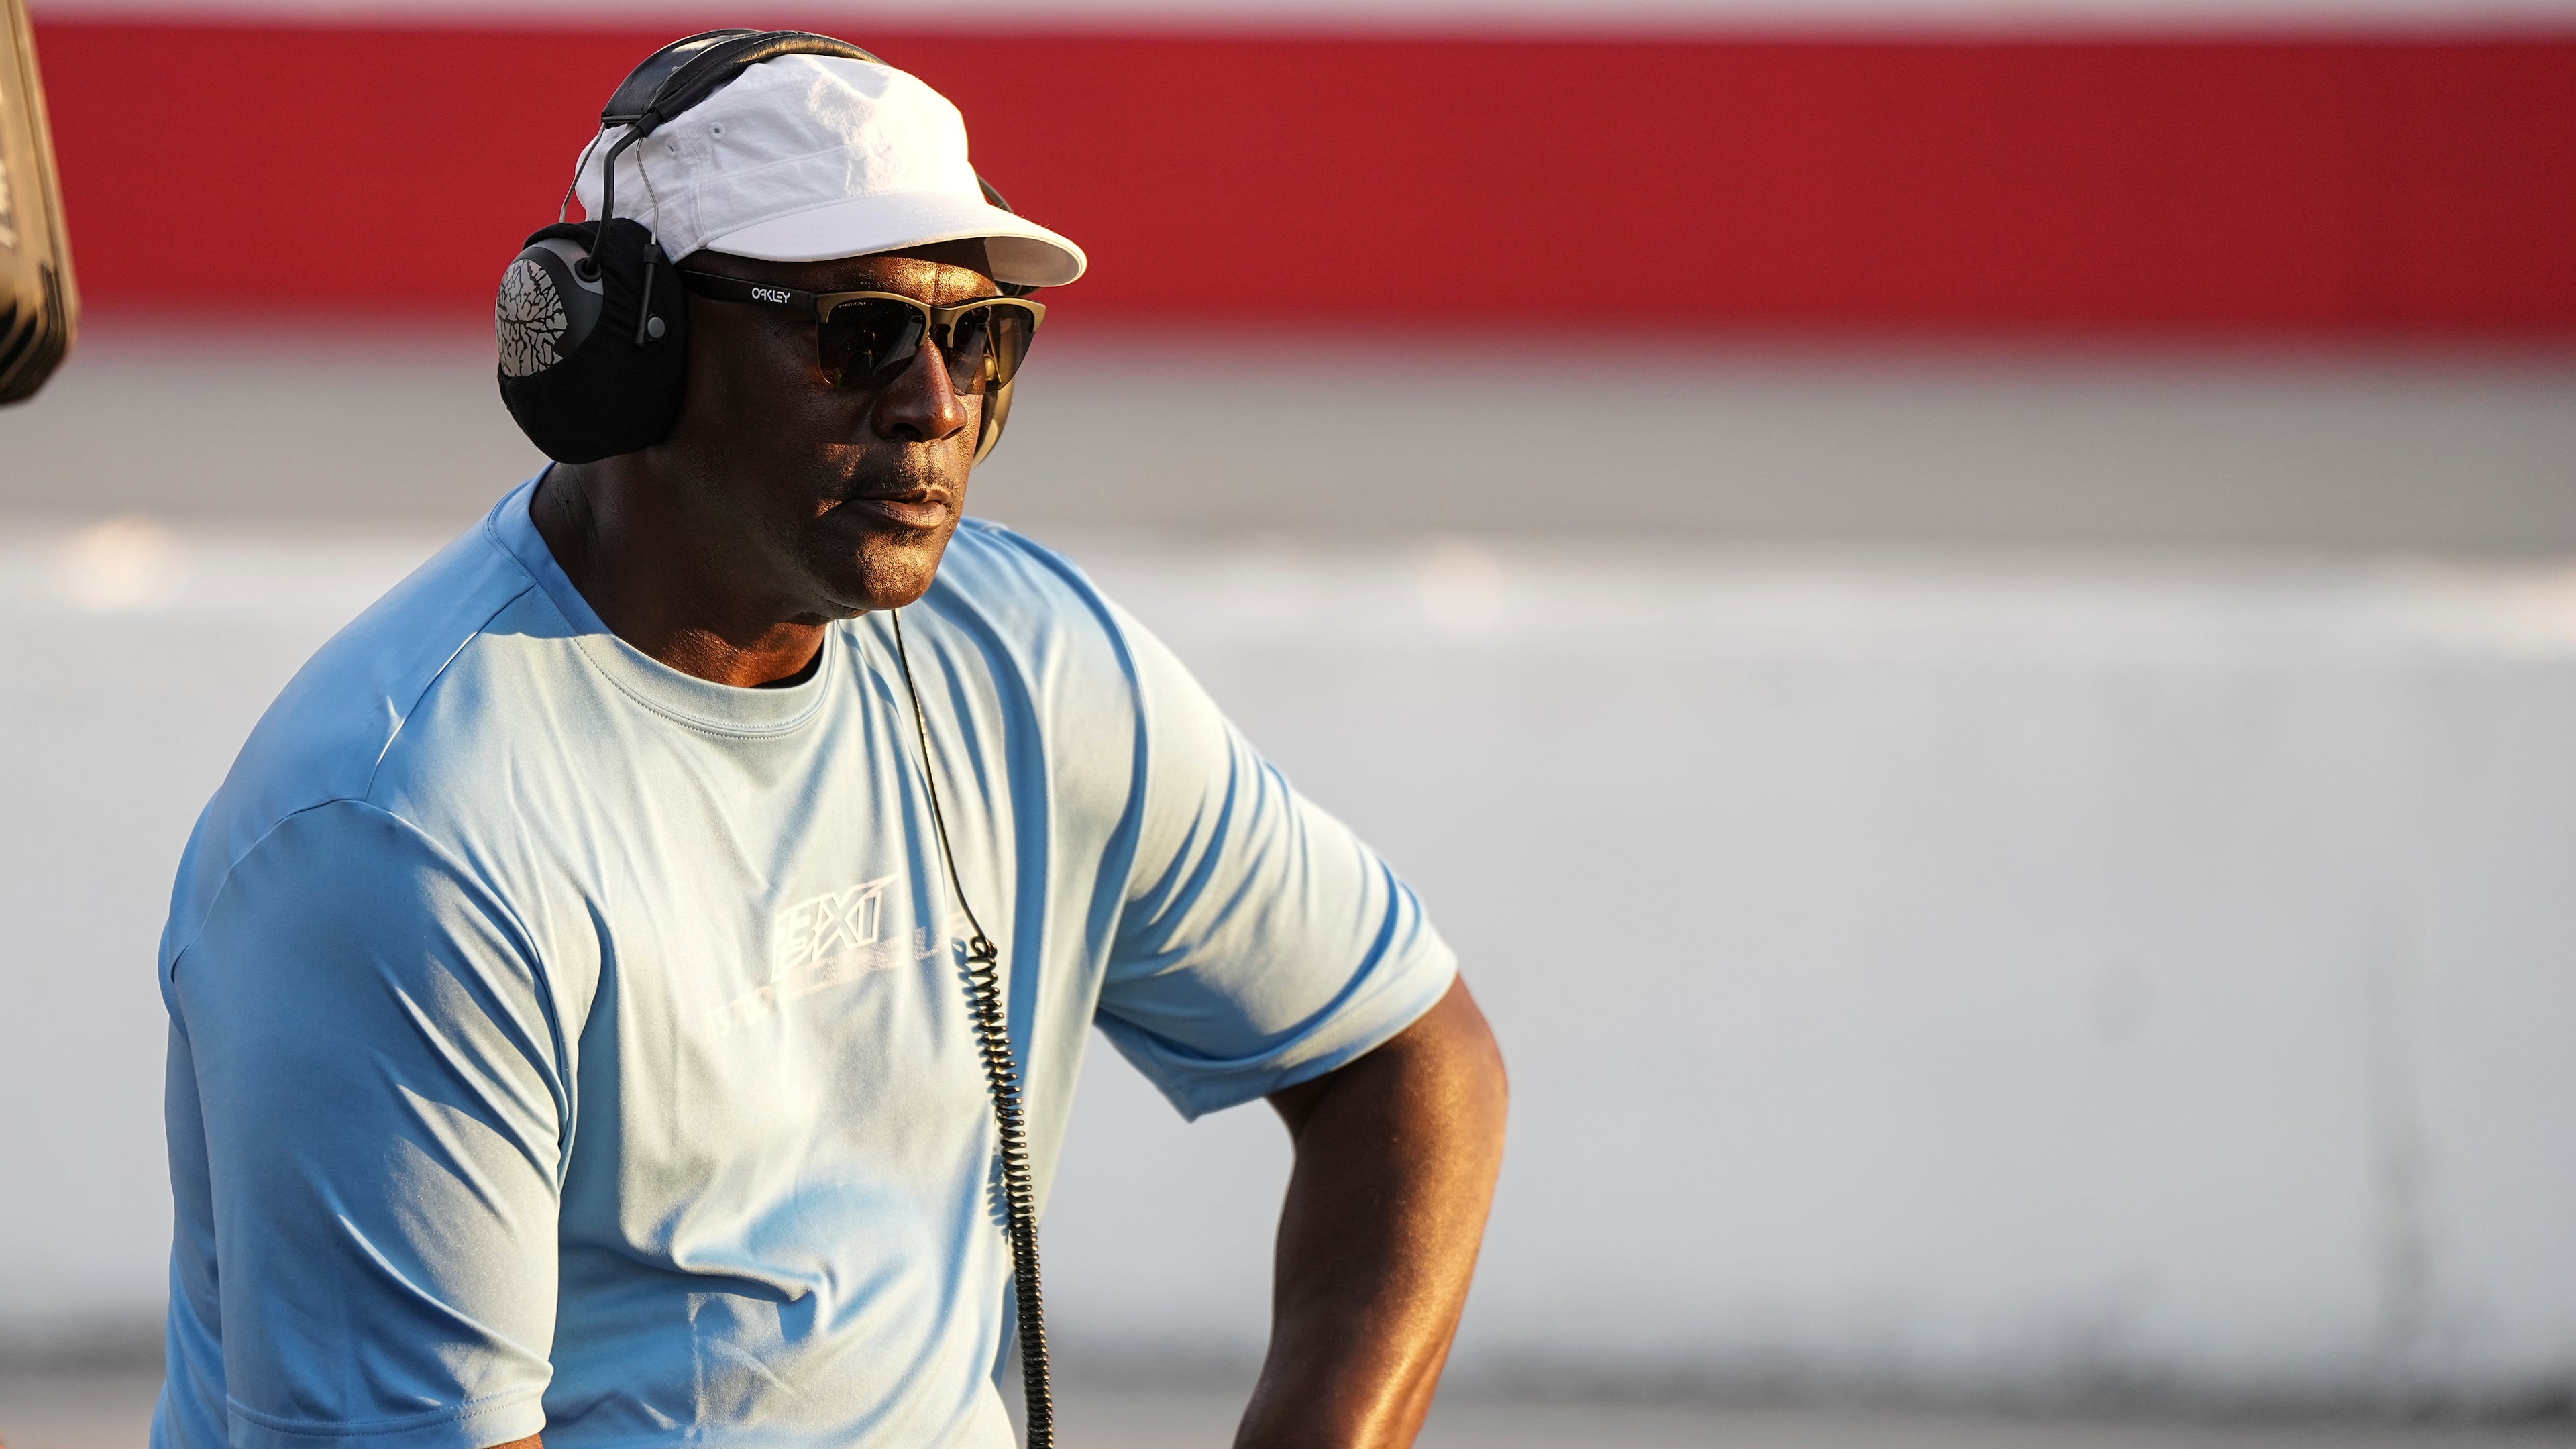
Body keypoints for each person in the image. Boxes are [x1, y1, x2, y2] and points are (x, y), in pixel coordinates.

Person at [150, 32, 1507, 1449]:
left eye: (978, 337)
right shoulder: (402, 835)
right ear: (630, 357)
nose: (934, 405)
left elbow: (1415, 1059)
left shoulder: (1030, 663)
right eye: (855, 332)